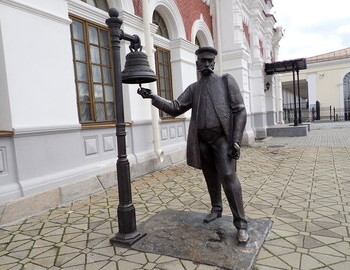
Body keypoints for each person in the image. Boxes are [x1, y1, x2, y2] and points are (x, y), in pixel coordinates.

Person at [137, 46, 249, 243]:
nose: (206, 64)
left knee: (229, 177)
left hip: (222, 139)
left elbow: (240, 110)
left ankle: (241, 224)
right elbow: (175, 108)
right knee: (210, 176)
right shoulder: (194, 88)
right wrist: (152, 97)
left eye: (209, 61)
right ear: (197, 64)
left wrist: (236, 140)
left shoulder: (225, 81)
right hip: (202, 141)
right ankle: (216, 208)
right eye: (202, 61)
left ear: (214, 63)